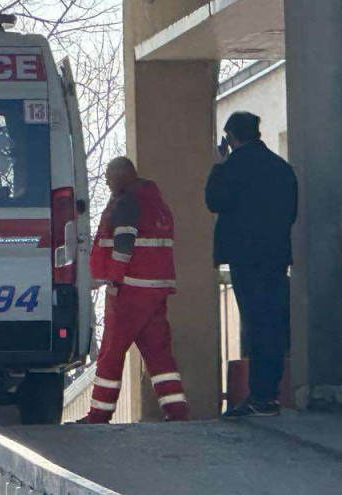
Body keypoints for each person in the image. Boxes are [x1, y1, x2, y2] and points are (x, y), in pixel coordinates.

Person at [74, 157, 190, 424]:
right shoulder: (156, 201)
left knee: (112, 351)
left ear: (123, 175)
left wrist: (114, 280)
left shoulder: (128, 202)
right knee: (158, 352)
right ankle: (177, 410)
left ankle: (100, 413)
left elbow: (124, 244)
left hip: (131, 288)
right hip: (155, 288)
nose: (106, 180)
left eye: (108, 175)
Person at [207, 111, 298, 418]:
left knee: (256, 323)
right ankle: (268, 394)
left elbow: (214, 201)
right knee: (272, 323)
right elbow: (290, 211)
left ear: (231, 138)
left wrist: (217, 167)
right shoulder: (281, 168)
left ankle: (259, 395)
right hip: (275, 256)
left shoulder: (232, 168)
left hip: (245, 258)